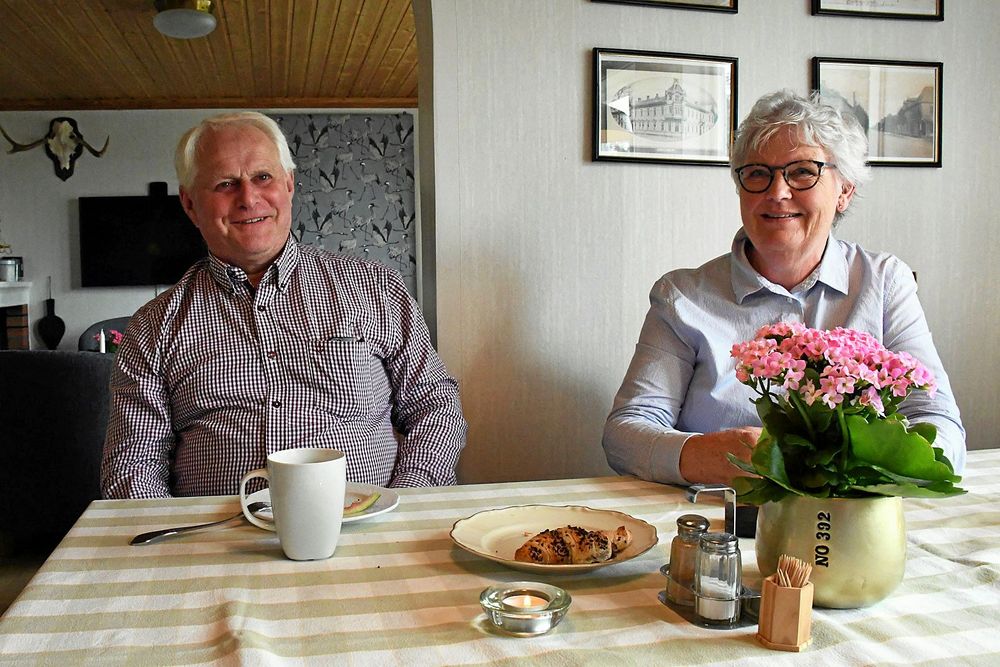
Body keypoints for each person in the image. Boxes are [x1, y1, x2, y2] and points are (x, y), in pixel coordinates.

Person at [602, 89, 965, 486]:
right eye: (757, 173)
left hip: (851, 519)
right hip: (723, 525)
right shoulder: (683, 296)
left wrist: (850, 476)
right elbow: (624, 435)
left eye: (803, 171)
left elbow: (938, 422)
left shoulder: (883, 282)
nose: (777, 193)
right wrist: (713, 455)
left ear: (844, 190)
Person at [101, 111, 467, 498]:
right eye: (225, 184)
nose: (248, 198)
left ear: (289, 184)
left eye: (263, 177)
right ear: (190, 204)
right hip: (220, 544)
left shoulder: (378, 289)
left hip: (367, 533)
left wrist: (401, 503)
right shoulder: (152, 327)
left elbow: (436, 407)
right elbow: (133, 463)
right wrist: (183, 551)